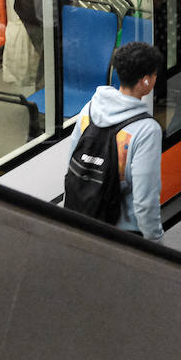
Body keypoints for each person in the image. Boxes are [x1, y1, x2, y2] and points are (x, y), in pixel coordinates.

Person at [67, 42, 164, 241]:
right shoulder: (147, 130)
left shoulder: (91, 108)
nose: (155, 79)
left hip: (82, 217)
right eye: (154, 75)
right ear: (145, 81)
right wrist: (155, 242)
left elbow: (71, 162)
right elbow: (144, 201)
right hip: (121, 232)